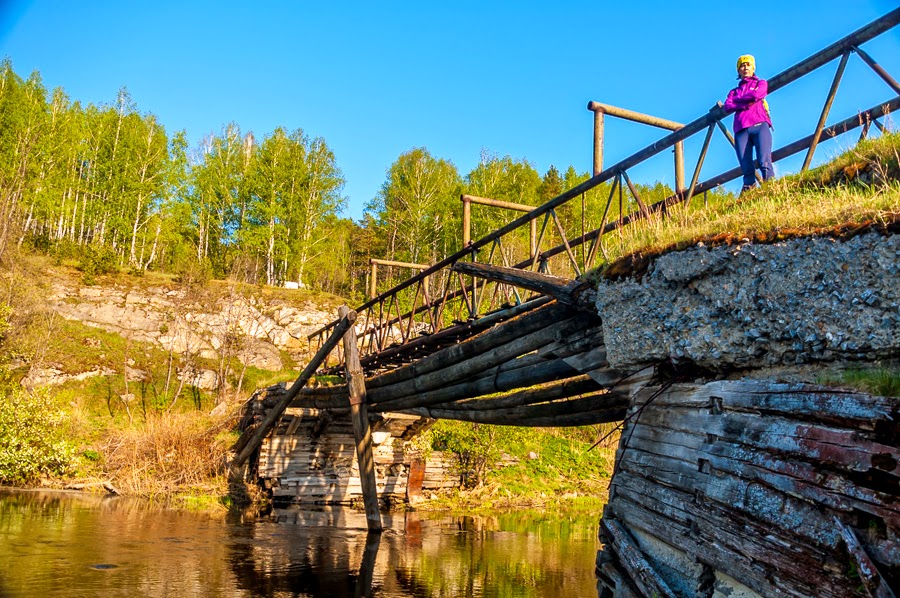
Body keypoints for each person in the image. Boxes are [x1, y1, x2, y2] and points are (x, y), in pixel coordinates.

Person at [724, 54, 774, 192]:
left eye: (748, 65)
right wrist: (746, 104)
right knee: (746, 166)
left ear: (753, 68)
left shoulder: (760, 83)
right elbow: (728, 106)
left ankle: (771, 189)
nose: (745, 67)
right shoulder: (734, 91)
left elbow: (757, 95)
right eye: (742, 65)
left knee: (764, 160)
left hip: (759, 123)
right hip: (741, 129)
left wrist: (738, 101)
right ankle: (748, 194)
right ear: (738, 71)